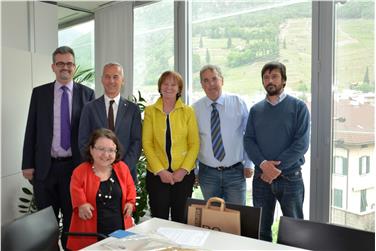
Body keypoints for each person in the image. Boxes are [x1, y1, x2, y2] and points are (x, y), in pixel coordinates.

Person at [21, 46, 95, 250]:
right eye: (61, 63)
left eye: (69, 63)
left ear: (75, 66)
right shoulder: (40, 93)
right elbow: (31, 130)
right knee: (46, 223)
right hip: (45, 168)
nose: (65, 67)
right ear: (53, 66)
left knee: (73, 219)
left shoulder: (87, 94)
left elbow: (93, 135)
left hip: (75, 168)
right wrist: (27, 164)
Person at [243, 61, 310, 241]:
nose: (269, 80)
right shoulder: (255, 110)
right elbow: (248, 140)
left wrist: (274, 169)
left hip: (290, 177)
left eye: (274, 76)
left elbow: (301, 143)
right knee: (261, 229)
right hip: (261, 178)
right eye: (266, 77)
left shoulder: (299, 107)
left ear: (284, 80)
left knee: (294, 230)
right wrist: (264, 165)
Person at [142, 71, 200, 223]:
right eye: (165, 83)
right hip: (156, 175)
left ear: (179, 89)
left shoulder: (188, 111)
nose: (169, 87)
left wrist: (183, 170)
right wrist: (160, 171)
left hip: (183, 176)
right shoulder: (150, 111)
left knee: (181, 220)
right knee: (158, 220)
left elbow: (194, 144)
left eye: (173, 84)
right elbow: (147, 143)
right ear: (160, 87)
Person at [193, 64, 253, 206]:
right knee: (213, 220)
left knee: (237, 217)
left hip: (235, 172)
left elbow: (250, 136)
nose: (211, 84)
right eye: (206, 80)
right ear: (202, 85)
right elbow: (193, 142)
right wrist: (195, 170)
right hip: (207, 174)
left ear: (222, 80)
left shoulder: (239, 103)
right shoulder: (195, 109)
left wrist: (249, 163)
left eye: (214, 79)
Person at [67, 128, 136, 250]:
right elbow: (76, 193)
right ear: (91, 149)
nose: (106, 155)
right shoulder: (80, 172)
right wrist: (81, 204)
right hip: (92, 234)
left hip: (120, 231)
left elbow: (131, 188)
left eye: (111, 150)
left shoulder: (122, 168)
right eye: (101, 149)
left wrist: (130, 203)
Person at [78, 62, 142, 183]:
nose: (111, 81)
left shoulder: (133, 110)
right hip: (96, 174)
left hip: (125, 174)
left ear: (122, 80)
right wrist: (98, 166)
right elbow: (83, 141)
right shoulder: (89, 108)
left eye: (115, 77)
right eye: (107, 76)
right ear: (102, 80)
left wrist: (122, 168)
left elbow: (137, 142)